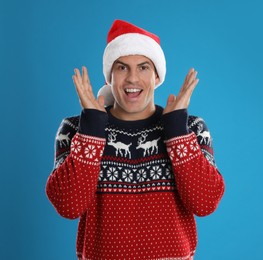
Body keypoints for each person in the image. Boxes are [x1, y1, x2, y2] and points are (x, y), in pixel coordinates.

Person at [46, 19, 225, 260]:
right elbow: (68, 205)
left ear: (156, 76)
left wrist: (176, 132)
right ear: (110, 76)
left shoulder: (191, 128)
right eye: (122, 67)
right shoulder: (75, 129)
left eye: (143, 67)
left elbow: (205, 202)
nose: (132, 78)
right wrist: (92, 129)